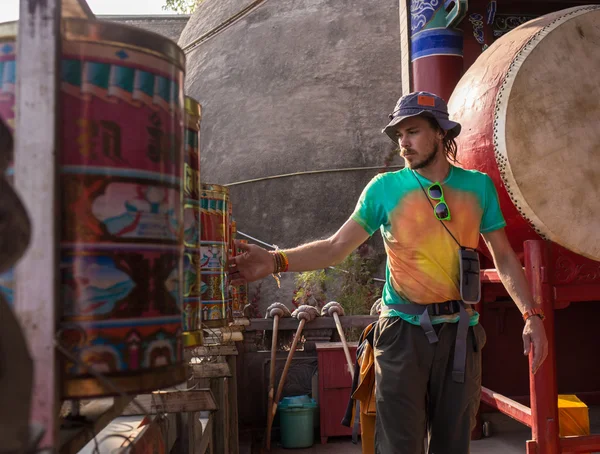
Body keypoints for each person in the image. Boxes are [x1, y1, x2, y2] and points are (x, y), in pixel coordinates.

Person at [229, 91, 548, 453]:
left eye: (412, 132)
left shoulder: (477, 187)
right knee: (399, 445)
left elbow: (503, 256)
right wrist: (275, 260)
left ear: (441, 133)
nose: (403, 144)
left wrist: (531, 314)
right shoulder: (384, 188)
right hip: (401, 335)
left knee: (454, 443)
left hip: (460, 334)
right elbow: (336, 247)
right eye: (398, 136)